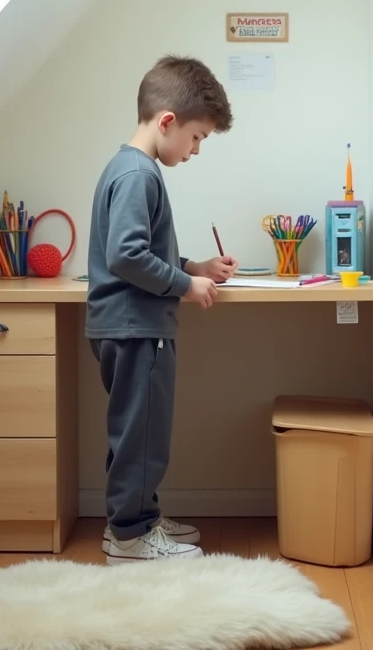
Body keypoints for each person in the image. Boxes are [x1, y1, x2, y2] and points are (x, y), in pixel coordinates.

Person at [85, 54, 238, 564]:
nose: (195, 151)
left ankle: (136, 518)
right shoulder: (139, 175)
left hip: (127, 325)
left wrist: (196, 264)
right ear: (167, 121)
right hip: (137, 327)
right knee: (143, 437)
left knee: (135, 431)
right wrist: (185, 286)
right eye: (197, 137)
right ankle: (130, 536)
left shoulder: (126, 167)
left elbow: (142, 247)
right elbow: (127, 256)